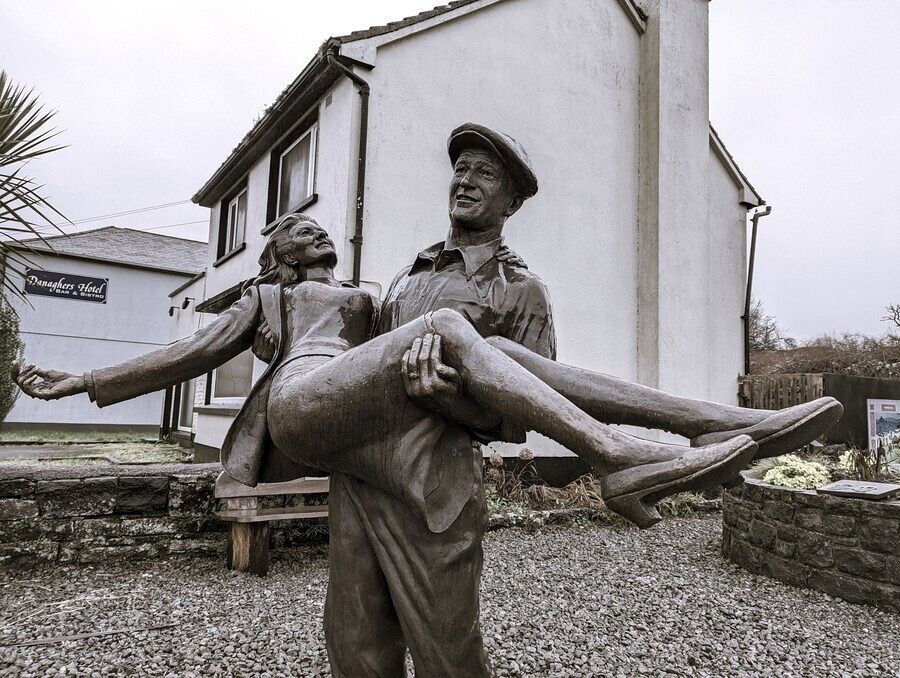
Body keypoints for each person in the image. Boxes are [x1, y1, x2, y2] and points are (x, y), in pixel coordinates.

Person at [12, 123, 842, 678]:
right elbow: (199, 350)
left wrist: (457, 396)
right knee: (357, 649)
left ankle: (710, 423)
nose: (465, 182)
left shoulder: (525, 293)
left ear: (510, 200)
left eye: (483, 176)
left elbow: (514, 410)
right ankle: (627, 451)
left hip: (434, 485)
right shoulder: (388, 286)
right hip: (354, 471)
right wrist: (89, 382)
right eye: (460, 170)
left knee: (449, 656)